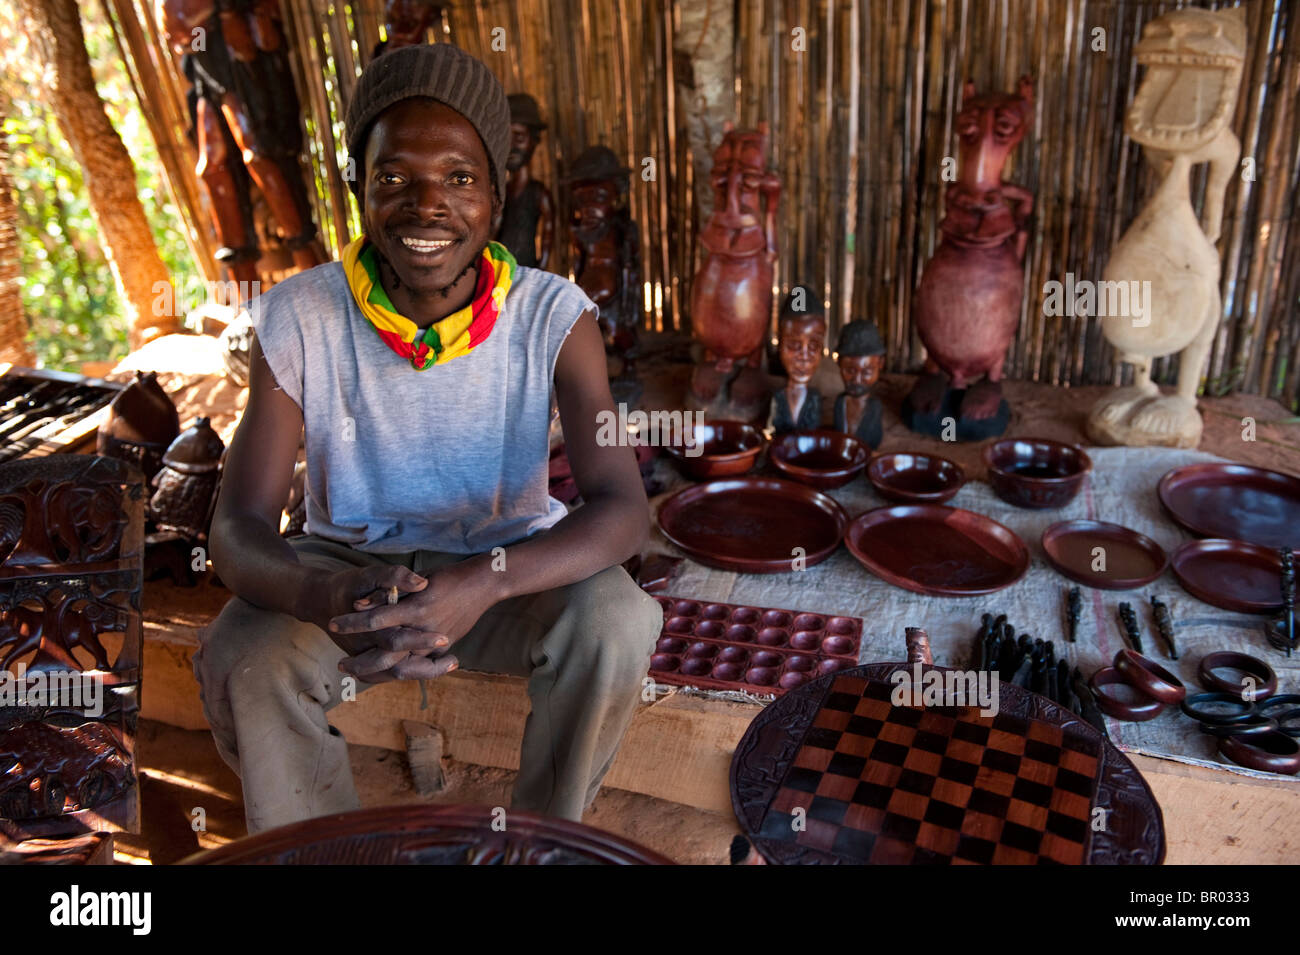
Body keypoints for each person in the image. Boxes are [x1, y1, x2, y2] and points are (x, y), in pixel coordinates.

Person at [194, 42, 662, 834]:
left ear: (497, 194)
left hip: (509, 568)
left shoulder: (554, 314)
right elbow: (237, 529)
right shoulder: (299, 315)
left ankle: (539, 844)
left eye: (459, 178)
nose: (427, 205)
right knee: (245, 651)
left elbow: (623, 510)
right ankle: (323, 850)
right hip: (348, 576)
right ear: (358, 189)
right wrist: (321, 595)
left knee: (616, 619)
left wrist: (487, 581)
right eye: (394, 179)